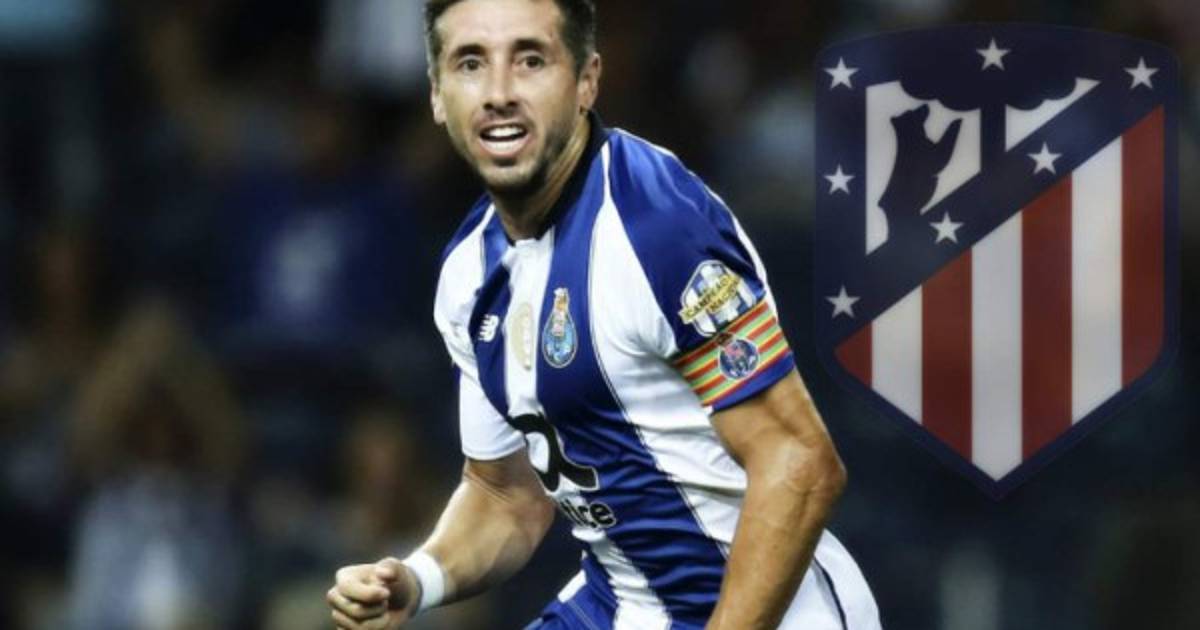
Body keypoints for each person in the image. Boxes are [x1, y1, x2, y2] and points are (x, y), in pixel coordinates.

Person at [327, 0, 881, 628]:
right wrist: (418, 580)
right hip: (620, 601)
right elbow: (505, 493)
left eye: (530, 60)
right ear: (436, 93)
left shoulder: (657, 226)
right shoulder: (468, 273)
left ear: (587, 80)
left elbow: (800, 463)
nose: (499, 93)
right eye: (471, 64)